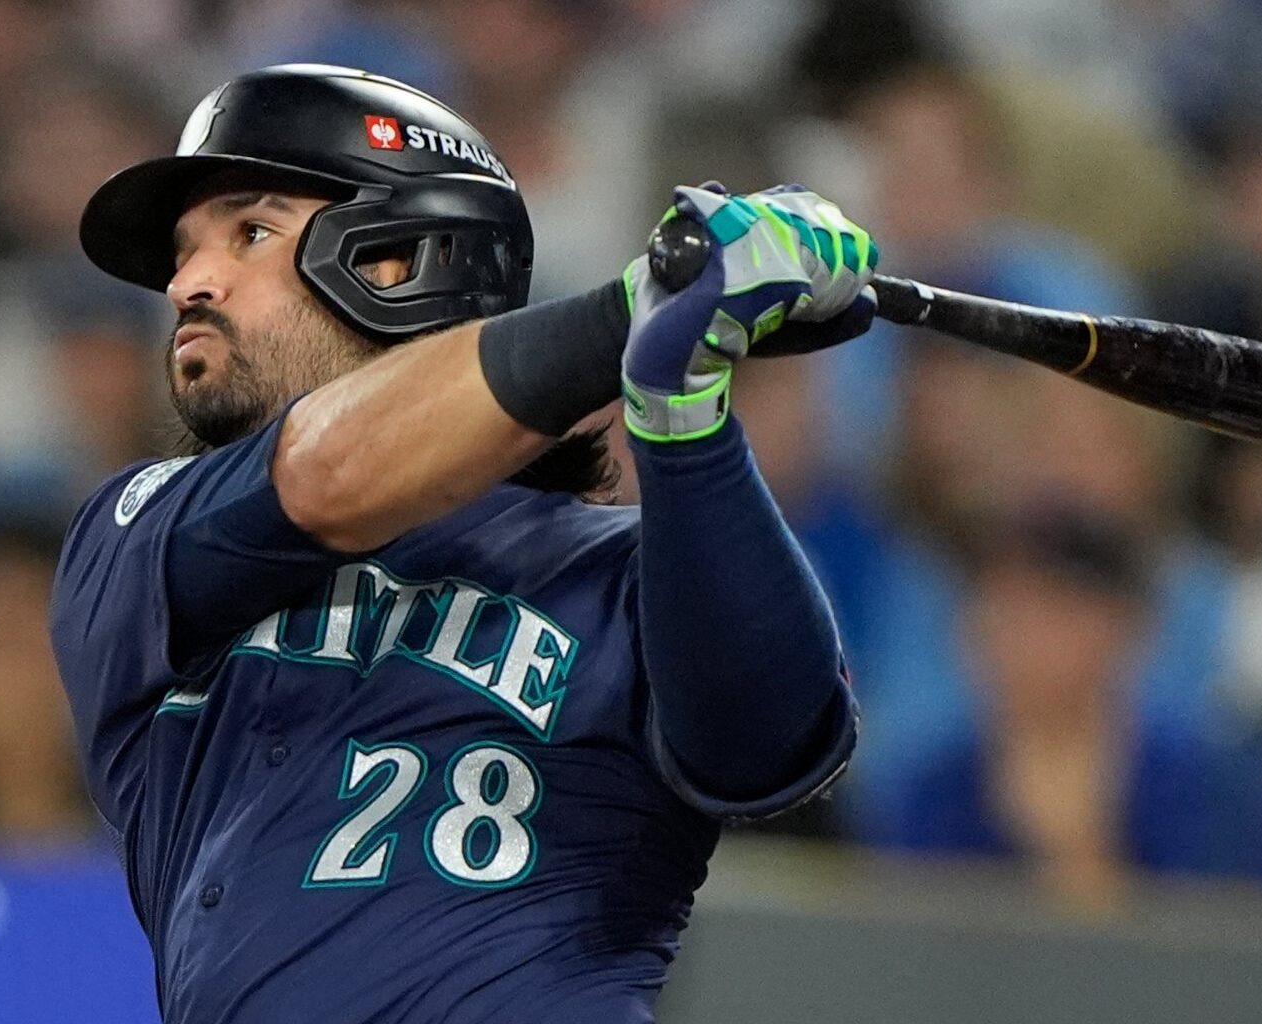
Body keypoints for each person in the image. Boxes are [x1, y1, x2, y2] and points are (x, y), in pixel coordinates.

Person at [49, 63, 876, 1022]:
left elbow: (768, 748)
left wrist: (681, 407)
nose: (186, 283)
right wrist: (634, 312)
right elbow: (326, 473)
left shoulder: (623, 569)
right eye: (183, 253)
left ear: (397, 261)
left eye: (251, 233)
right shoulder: (137, 537)